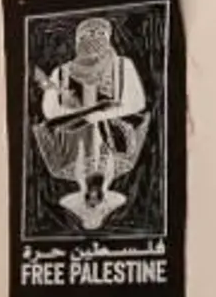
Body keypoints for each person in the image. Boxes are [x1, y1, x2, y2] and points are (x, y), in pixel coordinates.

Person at [32, 13, 150, 232]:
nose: (94, 38)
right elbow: (50, 110)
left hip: (90, 127)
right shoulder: (123, 158)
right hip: (99, 127)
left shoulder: (60, 164)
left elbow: (135, 102)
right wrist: (95, 111)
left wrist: (91, 116)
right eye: (88, 34)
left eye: (99, 34)